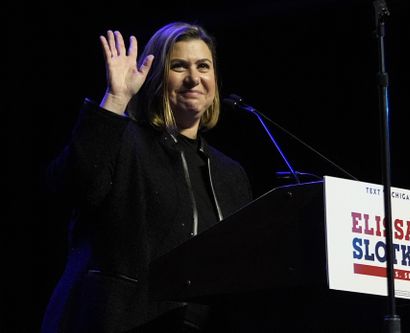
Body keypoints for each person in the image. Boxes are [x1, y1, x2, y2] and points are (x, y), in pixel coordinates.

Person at [41, 22, 253, 333]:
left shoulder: (230, 174)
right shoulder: (123, 139)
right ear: (155, 76)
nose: (194, 78)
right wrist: (115, 99)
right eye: (178, 66)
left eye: (203, 66)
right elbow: (69, 188)